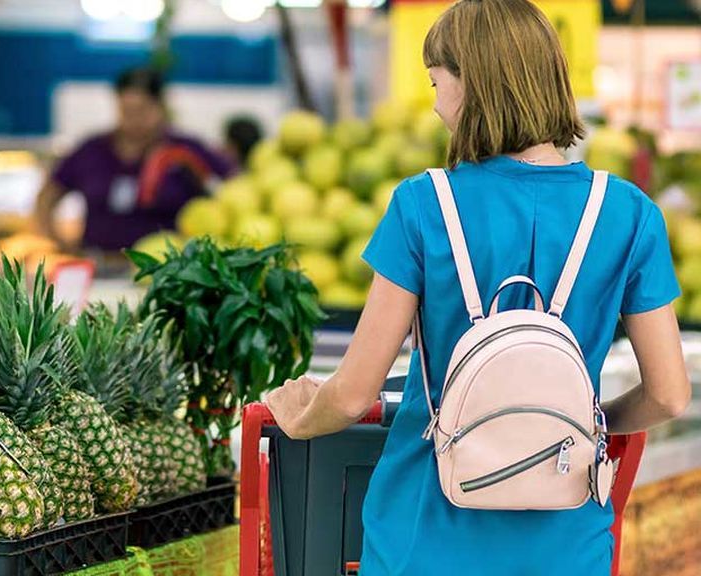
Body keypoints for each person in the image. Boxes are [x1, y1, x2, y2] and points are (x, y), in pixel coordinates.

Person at [263, 1, 691, 574]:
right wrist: (577, 426)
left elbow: (349, 393)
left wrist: (298, 415)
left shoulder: (422, 205)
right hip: (565, 541)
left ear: (473, 86)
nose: (437, 104)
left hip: (424, 533)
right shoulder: (630, 214)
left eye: (437, 83)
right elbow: (668, 396)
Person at [35, 67, 233, 253]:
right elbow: (47, 197)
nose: (134, 120)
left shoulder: (186, 151)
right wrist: (59, 244)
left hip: (167, 272)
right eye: (126, 111)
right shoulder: (92, 150)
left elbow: (231, 189)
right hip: (99, 266)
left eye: (142, 111)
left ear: (161, 107)